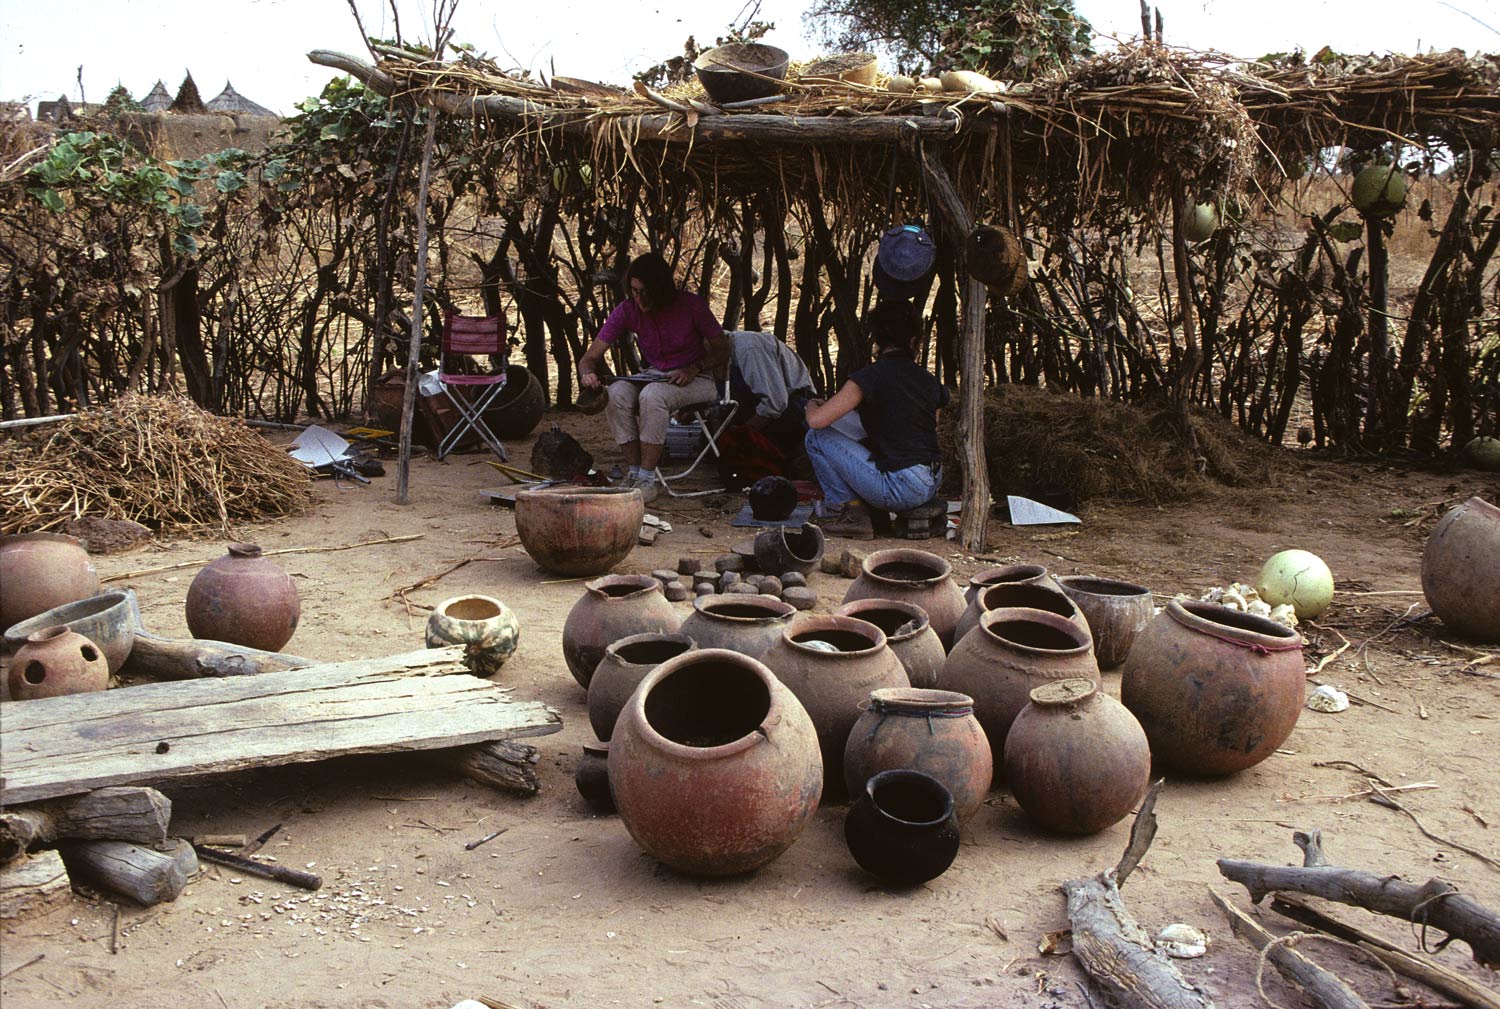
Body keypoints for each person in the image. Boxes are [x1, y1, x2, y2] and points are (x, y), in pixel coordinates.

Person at [576, 253, 728, 502]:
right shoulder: (628, 310)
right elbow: (589, 358)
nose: (640, 299)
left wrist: (695, 368)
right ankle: (634, 473)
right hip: (654, 375)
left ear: (662, 289)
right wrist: (588, 375)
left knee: (652, 396)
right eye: (634, 291)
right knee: (616, 393)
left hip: (699, 379)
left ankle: (648, 479)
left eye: (645, 292)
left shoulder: (692, 305)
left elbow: (723, 349)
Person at [803, 300, 948, 539]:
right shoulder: (929, 380)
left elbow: (817, 421)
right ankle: (871, 510)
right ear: (914, 342)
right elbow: (929, 429)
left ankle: (851, 515)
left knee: (816, 438)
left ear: (878, 341)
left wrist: (811, 404)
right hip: (932, 480)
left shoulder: (869, 377)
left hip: (902, 487)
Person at [727, 330, 816, 446]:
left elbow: (775, 404)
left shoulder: (749, 348)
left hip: (794, 408)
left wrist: (743, 434)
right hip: (767, 411)